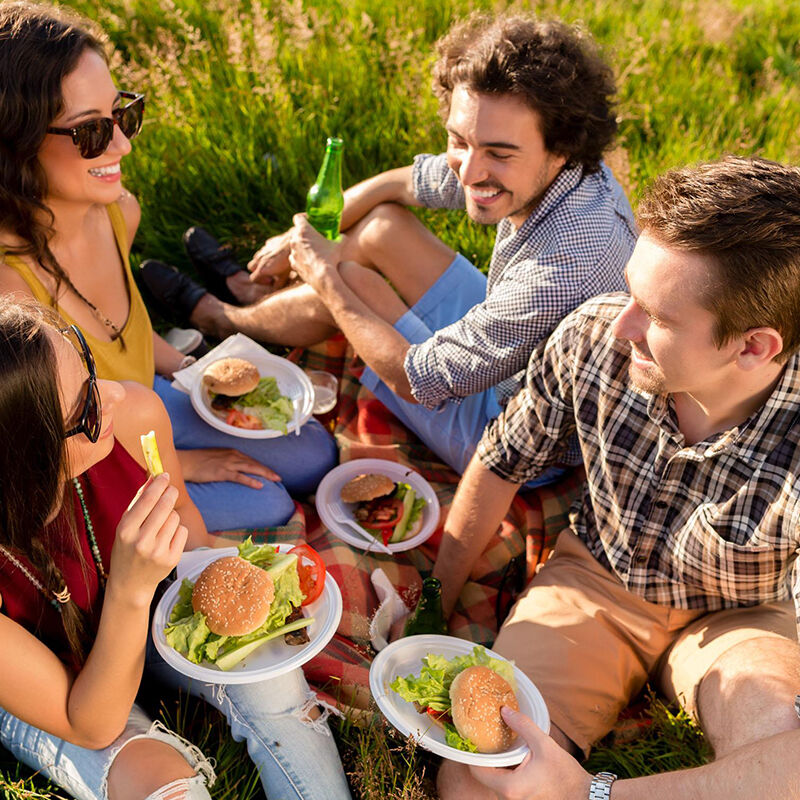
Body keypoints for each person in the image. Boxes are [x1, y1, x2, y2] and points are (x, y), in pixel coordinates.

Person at [429, 156, 800, 798]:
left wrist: (588, 795)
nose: (621, 324)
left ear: (753, 347)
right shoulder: (594, 336)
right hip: (596, 582)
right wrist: (433, 604)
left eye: (658, 317)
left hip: (745, 618)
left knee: (777, 743)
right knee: (475, 782)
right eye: (631, 290)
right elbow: (502, 461)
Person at [142, 12, 637, 476]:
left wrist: (325, 279)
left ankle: (220, 318)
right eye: (459, 141)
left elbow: (417, 379)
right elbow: (401, 185)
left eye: (498, 154)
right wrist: (296, 238)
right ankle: (255, 294)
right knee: (382, 227)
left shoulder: (564, 266)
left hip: (515, 440)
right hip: (516, 352)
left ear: (561, 147)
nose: (469, 170)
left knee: (352, 285)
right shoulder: (561, 168)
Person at [0, 1, 337, 533]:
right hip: (92, 465)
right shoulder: (11, 298)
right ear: (16, 142)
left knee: (315, 453)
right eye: (91, 132)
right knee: (273, 503)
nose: (122, 144)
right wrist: (181, 465)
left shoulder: (118, 211)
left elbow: (123, 332)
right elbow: (48, 458)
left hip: (148, 408)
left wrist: (193, 371)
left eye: (122, 114)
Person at [0, 296, 352, 800]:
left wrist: (224, 584)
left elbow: (185, 515)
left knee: (275, 685)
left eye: (90, 370)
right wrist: (129, 588)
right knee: (165, 785)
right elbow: (91, 725)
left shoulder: (133, 416)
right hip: (56, 690)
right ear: (26, 463)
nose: (115, 394)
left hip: (149, 614)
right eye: (87, 408)